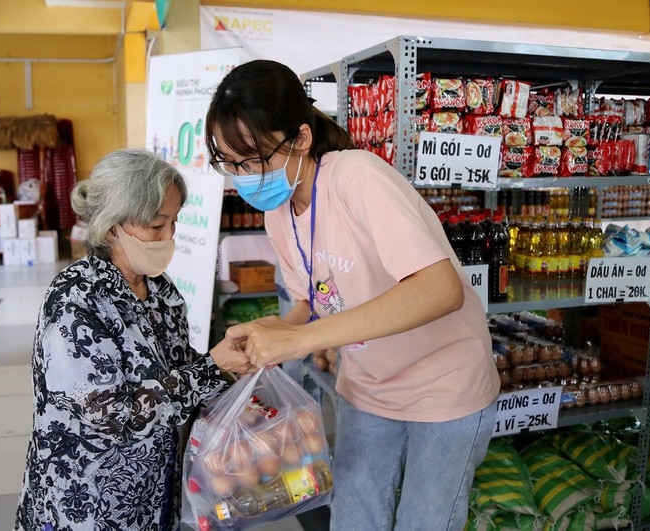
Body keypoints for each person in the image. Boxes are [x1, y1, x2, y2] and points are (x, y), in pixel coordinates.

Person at [204, 60, 501, 531]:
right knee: (354, 516)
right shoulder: (279, 214)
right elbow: (309, 301)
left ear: (301, 138)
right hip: (366, 386)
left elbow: (441, 289)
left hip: (444, 387)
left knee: (426, 520)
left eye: (254, 159)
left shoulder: (356, 177)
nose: (242, 176)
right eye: (231, 163)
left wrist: (304, 340)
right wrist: (270, 332)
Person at [15, 149, 251, 530]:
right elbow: (110, 413)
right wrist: (212, 369)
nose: (169, 236)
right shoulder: (75, 300)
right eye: (156, 226)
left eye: (174, 222)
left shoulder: (159, 288)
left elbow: (172, 366)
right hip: (89, 500)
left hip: (154, 491)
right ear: (112, 228)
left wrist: (231, 370)